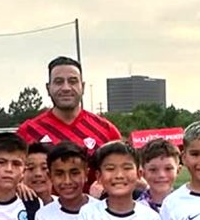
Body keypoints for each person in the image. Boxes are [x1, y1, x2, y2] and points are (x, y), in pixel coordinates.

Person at [17, 56, 123, 192]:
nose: (66, 88)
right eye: (59, 82)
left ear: (82, 87)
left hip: (95, 211)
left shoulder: (106, 131)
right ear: (48, 88)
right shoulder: (28, 131)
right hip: (41, 211)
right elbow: (13, 177)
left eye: (72, 81)